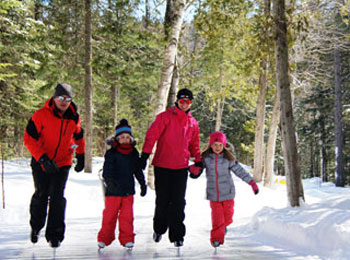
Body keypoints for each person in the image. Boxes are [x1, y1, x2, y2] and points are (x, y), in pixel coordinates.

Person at [138, 88, 202, 247]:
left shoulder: (192, 123)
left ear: (190, 103)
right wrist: (145, 155)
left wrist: (198, 163)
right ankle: (159, 229)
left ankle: (177, 235)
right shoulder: (165, 117)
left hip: (181, 167)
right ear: (177, 102)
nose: (184, 104)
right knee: (163, 201)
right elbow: (152, 135)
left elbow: (194, 145)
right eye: (181, 101)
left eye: (187, 102)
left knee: (179, 202)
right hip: (163, 165)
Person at [23, 83, 85, 248]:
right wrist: (42, 159)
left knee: (57, 197)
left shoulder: (74, 117)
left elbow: (77, 137)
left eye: (67, 99)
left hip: (62, 163)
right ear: (54, 97)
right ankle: (36, 227)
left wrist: (80, 155)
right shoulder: (41, 115)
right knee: (42, 195)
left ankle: (55, 235)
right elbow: (29, 139)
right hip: (41, 162)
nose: (64, 102)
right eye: (61, 98)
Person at [189, 131, 259, 248]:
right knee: (217, 219)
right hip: (213, 195)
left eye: (220, 145)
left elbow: (240, 171)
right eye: (215, 144)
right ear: (211, 145)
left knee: (228, 217)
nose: (217, 147)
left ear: (224, 146)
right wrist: (193, 169)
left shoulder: (228, 159)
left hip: (228, 193)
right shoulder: (206, 159)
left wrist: (252, 183)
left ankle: (222, 227)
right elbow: (196, 165)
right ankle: (216, 239)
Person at [97, 119, 147, 249]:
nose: (125, 140)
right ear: (117, 139)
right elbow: (107, 170)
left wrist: (142, 183)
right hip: (113, 191)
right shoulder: (112, 153)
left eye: (127, 137)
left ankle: (127, 239)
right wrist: (109, 182)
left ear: (131, 139)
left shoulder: (133, 153)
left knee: (127, 217)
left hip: (128, 190)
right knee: (109, 216)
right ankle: (105, 238)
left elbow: (137, 170)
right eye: (122, 137)